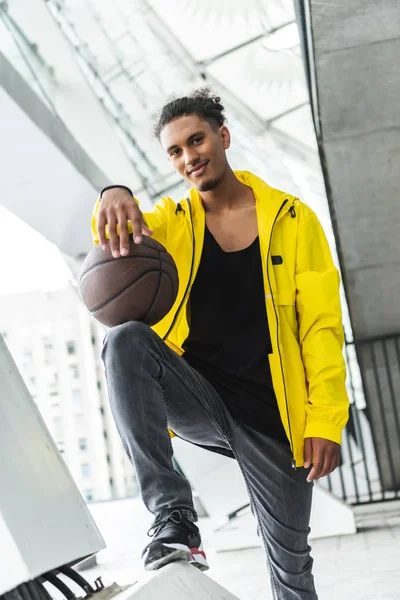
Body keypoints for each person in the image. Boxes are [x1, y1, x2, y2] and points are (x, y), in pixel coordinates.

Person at [91, 88, 349, 599]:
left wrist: (326, 421)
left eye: (197, 140)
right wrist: (112, 192)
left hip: (276, 422)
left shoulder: (293, 220)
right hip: (202, 399)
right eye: (175, 151)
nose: (189, 157)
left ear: (223, 137)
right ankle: (174, 516)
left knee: (292, 571)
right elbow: (110, 247)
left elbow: (321, 326)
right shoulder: (170, 222)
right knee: (125, 342)